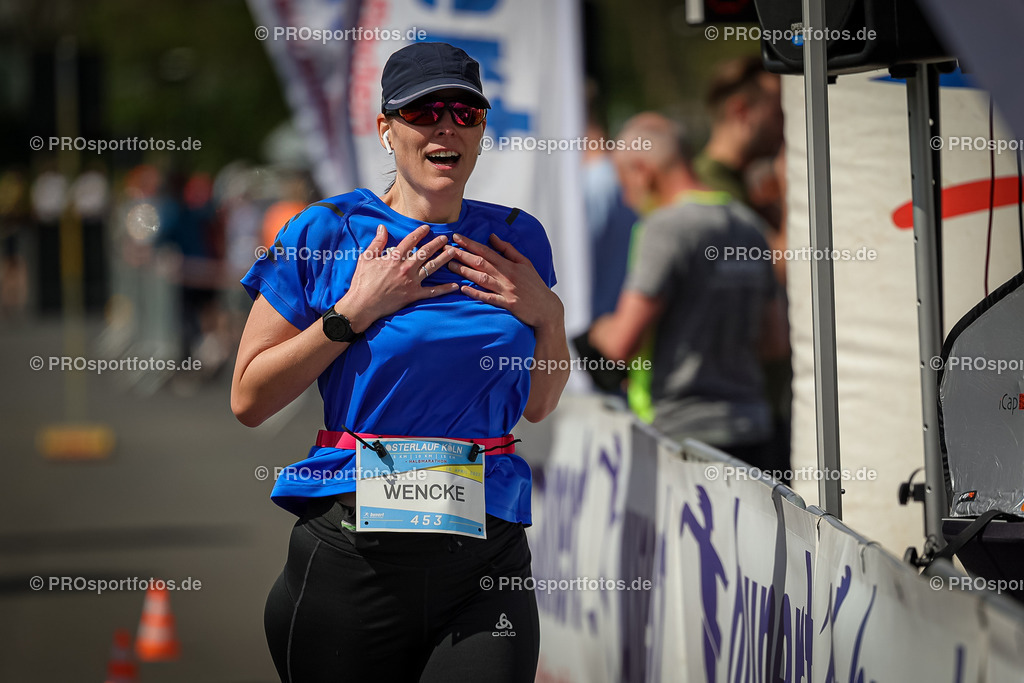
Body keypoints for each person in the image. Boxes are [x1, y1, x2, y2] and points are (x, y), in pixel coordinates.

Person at [231, 42, 569, 682]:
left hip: (486, 561)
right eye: (423, 111)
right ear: (386, 128)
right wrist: (352, 313)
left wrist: (549, 316)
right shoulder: (326, 231)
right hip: (353, 561)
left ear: (481, 131)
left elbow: (540, 404)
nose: (446, 126)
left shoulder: (517, 237)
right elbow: (249, 399)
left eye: (465, 113)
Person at [588, 112, 784, 467]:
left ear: (642, 171)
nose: (627, 198)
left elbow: (621, 343)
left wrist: (595, 329)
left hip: (681, 435)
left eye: (624, 182)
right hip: (752, 428)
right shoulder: (750, 225)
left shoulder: (664, 228)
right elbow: (775, 341)